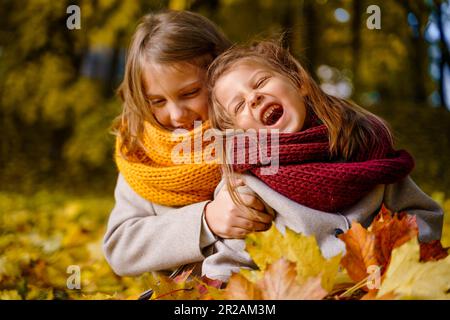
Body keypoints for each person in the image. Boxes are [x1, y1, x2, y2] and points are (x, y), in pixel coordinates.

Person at [202, 40, 444, 282]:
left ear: (299, 82)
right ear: (239, 131)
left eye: (261, 82)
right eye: (239, 105)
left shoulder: (365, 146)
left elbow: (423, 216)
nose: (253, 98)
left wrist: (392, 255)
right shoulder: (247, 184)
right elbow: (228, 267)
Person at [102, 11, 274, 278]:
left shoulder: (260, 126)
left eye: (190, 93)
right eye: (158, 101)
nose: (176, 114)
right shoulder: (143, 155)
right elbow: (120, 249)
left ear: (220, 72)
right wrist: (206, 220)